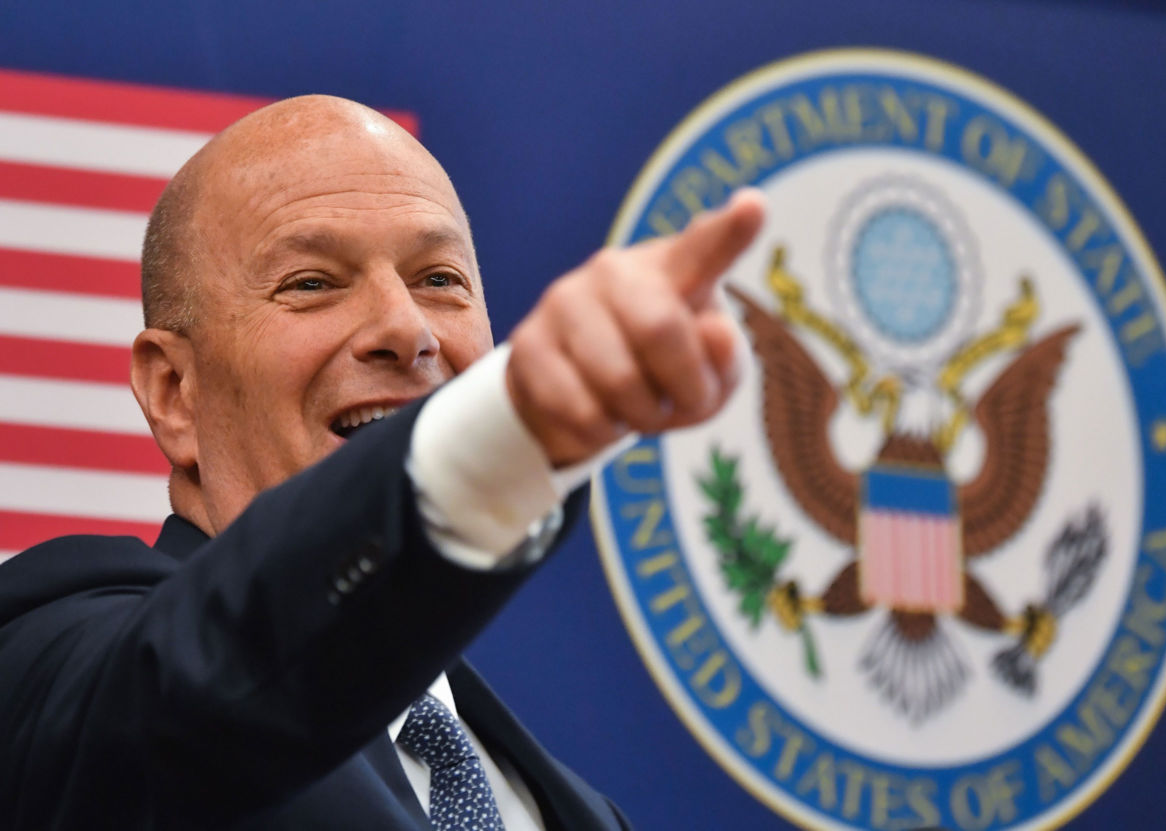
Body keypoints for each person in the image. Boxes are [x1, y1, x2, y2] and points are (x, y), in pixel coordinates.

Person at [0, 95, 765, 830]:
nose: (406, 328)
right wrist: (510, 430)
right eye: (311, 283)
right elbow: (199, 696)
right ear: (174, 390)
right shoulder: (51, 667)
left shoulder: (584, 812)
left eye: (439, 280)